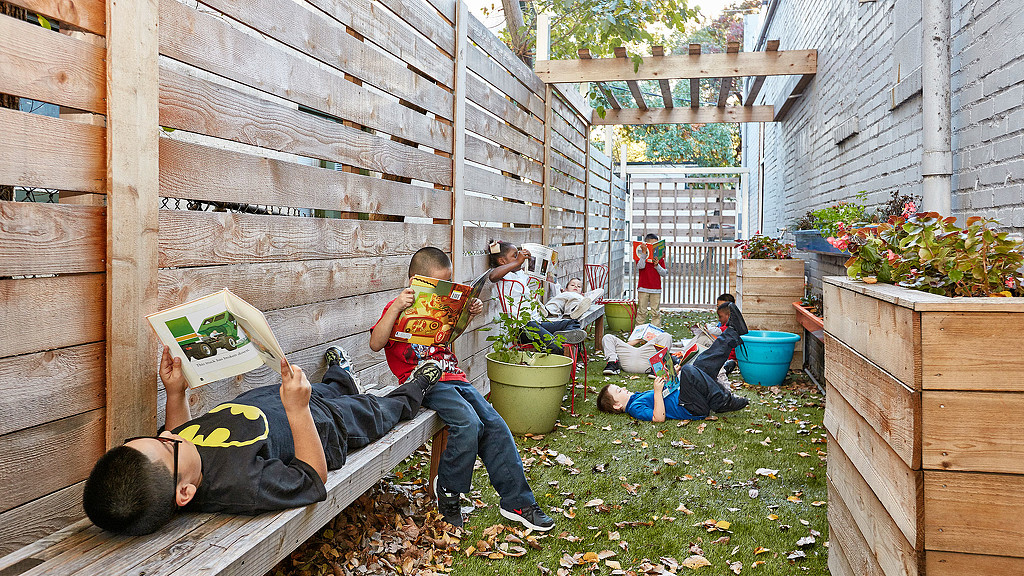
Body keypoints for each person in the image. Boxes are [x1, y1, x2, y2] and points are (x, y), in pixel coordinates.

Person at [83, 344, 437, 536]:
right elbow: (311, 478)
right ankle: (415, 389)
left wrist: (174, 394)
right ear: (185, 494)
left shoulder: (180, 460)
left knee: (328, 389)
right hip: (326, 427)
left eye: (151, 436)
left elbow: (181, 435)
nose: (165, 434)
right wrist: (298, 411)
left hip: (279, 400)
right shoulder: (241, 484)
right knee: (375, 410)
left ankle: (340, 375)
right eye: (164, 444)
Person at [370, 246, 555, 531]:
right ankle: (448, 491)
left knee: (494, 423)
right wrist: (396, 306)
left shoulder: (441, 305)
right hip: (422, 380)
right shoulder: (397, 307)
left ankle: (517, 502)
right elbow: (375, 343)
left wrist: (467, 314)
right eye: (439, 284)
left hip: (453, 375)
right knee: (468, 423)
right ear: (416, 283)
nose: (445, 289)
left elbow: (448, 335)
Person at [596, 303, 750, 421]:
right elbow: (658, 418)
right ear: (617, 405)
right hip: (692, 408)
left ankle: (733, 331)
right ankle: (723, 402)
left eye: (619, 387)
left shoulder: (637, 397)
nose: (622, 388)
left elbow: (668, 394)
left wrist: (672, 377)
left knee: (701, 362)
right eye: (618, 391)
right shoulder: (635, 407)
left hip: (691, 397)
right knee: (690, 370)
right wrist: (657, 391)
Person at [487, 240, 586, 354]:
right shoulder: (503, 276)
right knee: (555, 346)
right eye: (515, 256)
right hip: (522, 328)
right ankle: (553, 342)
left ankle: (557, 336)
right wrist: (517, 262)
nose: (520, 258)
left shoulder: (518, 274)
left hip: (536, 322)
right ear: (502, 261)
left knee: (572, 323)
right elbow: (493, 276)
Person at [636, 233, 667, 327]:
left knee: (655, 312)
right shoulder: (640, 256)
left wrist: (657, 265)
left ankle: (656, 330)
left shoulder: (660, 258)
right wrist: (644, 254)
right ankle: (638, 331)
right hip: (643, 288)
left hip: (655, 289)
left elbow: (664, 273)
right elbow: (640, 266)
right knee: (642, 311)